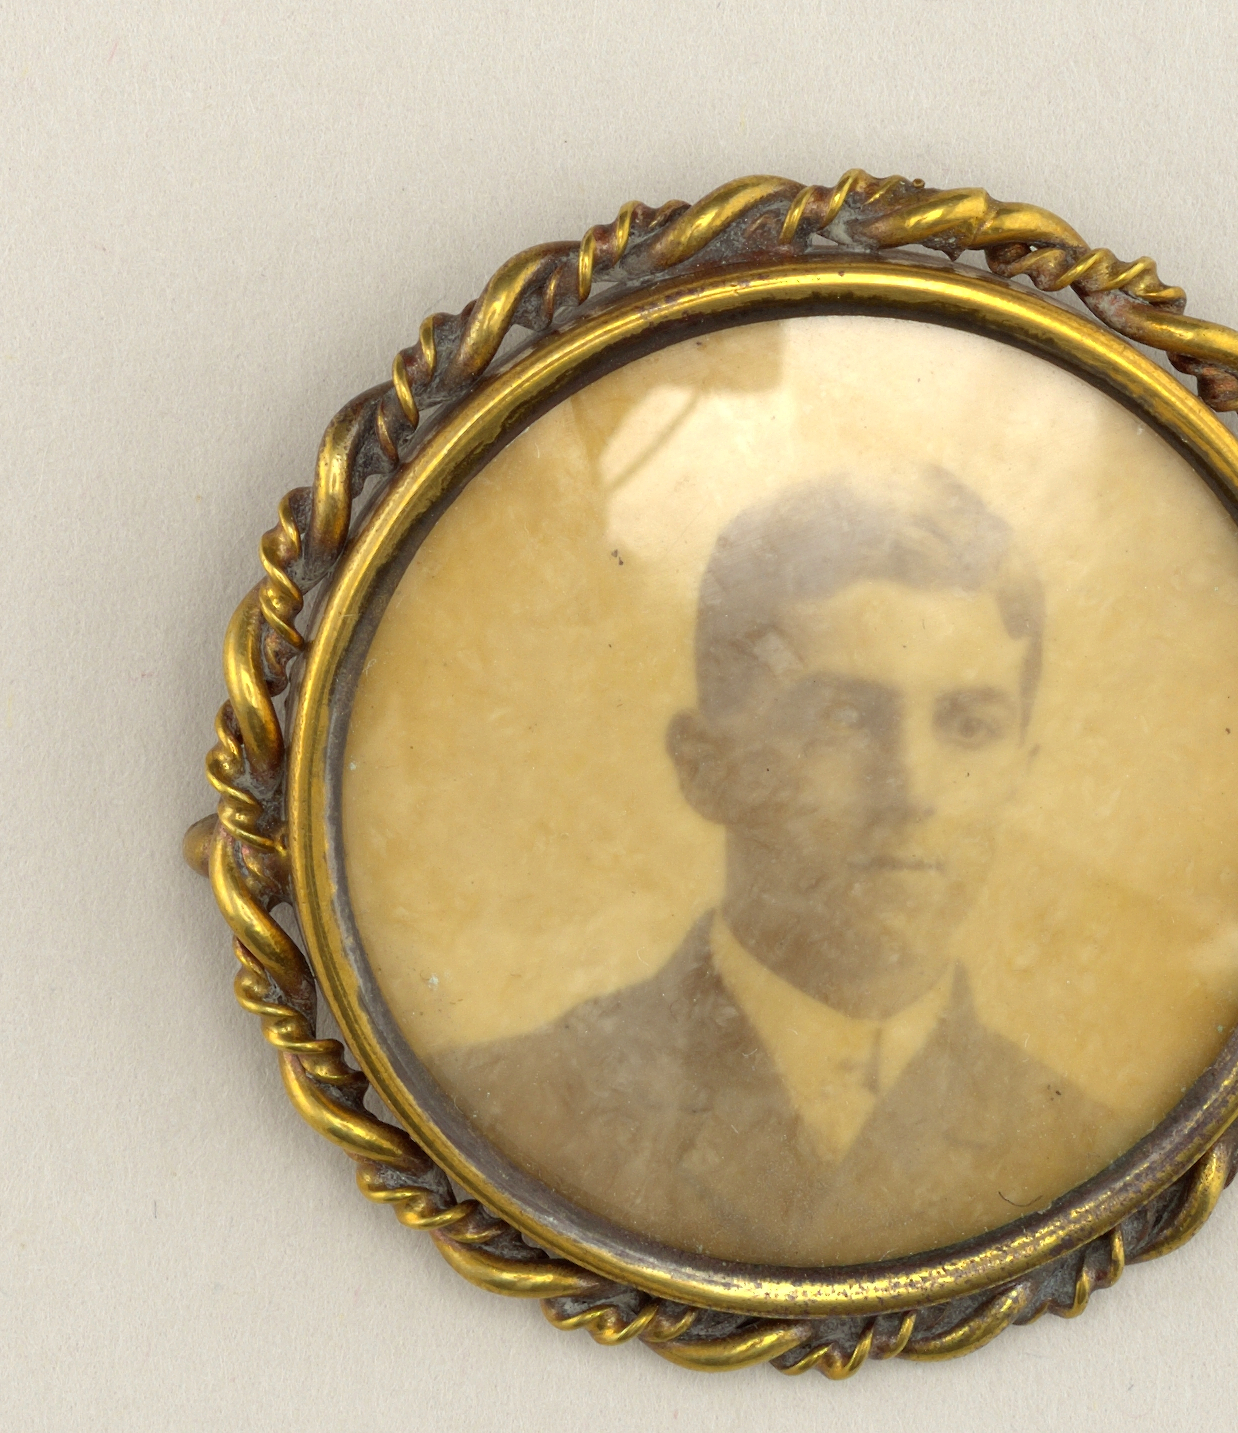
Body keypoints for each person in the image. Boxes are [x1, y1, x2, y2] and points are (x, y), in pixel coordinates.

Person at [438, 467, 1112, 1265]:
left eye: (969, 725)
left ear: (1020, 772)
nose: (913, 793)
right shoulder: (511, 1108)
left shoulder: (1086, 1151)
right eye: (844, 717)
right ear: (707, 767)